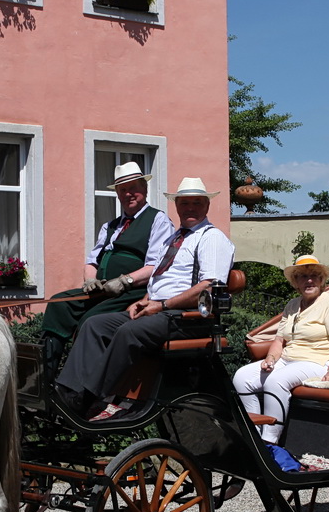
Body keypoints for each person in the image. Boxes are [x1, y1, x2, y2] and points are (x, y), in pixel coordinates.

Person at [55, 176, 234, 421]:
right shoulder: (175, 238)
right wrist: (146, 299)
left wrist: (161, 305)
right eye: (184, 203)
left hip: (187, 319)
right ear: (177, 206)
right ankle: (68, 391)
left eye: (196, 203)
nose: (190, 208)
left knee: (130, 331)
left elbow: (209, 289)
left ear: (207, 206)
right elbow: (160, 275)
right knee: (96, 324)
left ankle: (91, 397)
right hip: (160, 310)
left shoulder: (211, 238)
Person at [39, 162, 175, 374]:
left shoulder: (158, 220)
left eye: (134, 188)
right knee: (59, 304)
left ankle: (78, 385)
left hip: (134, 291)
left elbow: (156, 266)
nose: (129, 194)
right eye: (123, 190)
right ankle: (45, 375)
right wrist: (91, 281)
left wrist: (124, 281)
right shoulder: (110, 226)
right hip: (103, 290)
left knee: (90, 321)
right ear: (118, 194)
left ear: (144, 189)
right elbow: (92, 261)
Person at [233, 255, 329, 468]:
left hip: (316, 362)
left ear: (322, 280)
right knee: (242, 377)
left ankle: (270, 443)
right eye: (303, 276)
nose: (309, 281)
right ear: (296, 282)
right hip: (287, 360)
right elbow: (279, 340)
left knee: (275, 381)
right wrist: (270, 358)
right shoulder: (293, 305)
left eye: (314, 276)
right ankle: (254, 436)